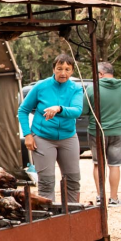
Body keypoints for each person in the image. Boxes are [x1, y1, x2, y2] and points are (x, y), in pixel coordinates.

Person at [18, 53, 84, 203]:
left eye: (67, 69)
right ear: (53, 69)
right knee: (46, 181)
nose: (63, 73)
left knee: (73, 178)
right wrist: (28, 135)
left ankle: (72, 212)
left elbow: (77, 110)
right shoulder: (41, 86)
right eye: (59, 68)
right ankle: (48, 214)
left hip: (68, 136)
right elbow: (23, 110)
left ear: (72, 71)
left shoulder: (75, 88)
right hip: (42, 137)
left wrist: (59, 109)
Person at [84, 62, 121, 207]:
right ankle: (114, 198)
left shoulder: (92, 88)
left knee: (98, 164)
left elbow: (85, 110)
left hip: (97, 131)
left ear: (101, 74)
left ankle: (100, 197)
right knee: (115, 165)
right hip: (118, 131)